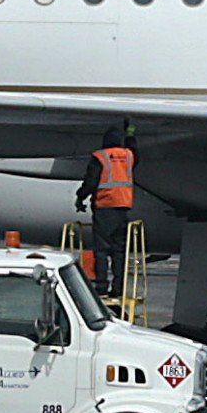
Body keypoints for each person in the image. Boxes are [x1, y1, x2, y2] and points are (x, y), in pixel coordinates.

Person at [80, 124, 138, 303]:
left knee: (102, 250)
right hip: (123, 208)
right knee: (119, 251)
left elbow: (91, 182)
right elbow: (135, 150)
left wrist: (80, 197)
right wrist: (130, 133)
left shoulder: (100, 157)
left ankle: (102, 287)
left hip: (105, 207)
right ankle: (118, 288)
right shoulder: (128, 155)